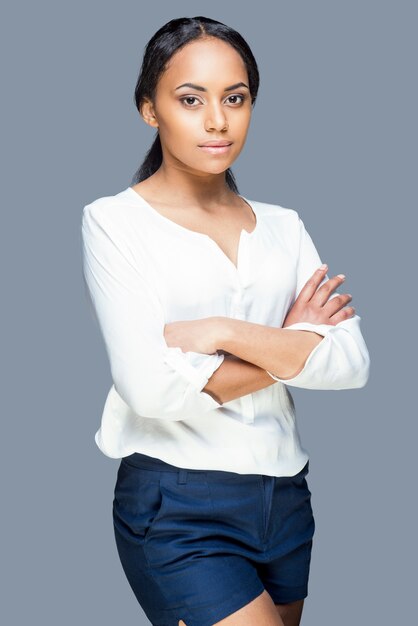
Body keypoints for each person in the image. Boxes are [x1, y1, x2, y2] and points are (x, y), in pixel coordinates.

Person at [81, 15, 370, 626]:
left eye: (234, 99)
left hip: (286, 495)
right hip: (178, 501)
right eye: (190, 99)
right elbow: (152, 389)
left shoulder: (285, 227)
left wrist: (221, 332)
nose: (217, 120)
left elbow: (351, 366)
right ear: (149, 109)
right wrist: (291, 345)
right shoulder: (115, 222)